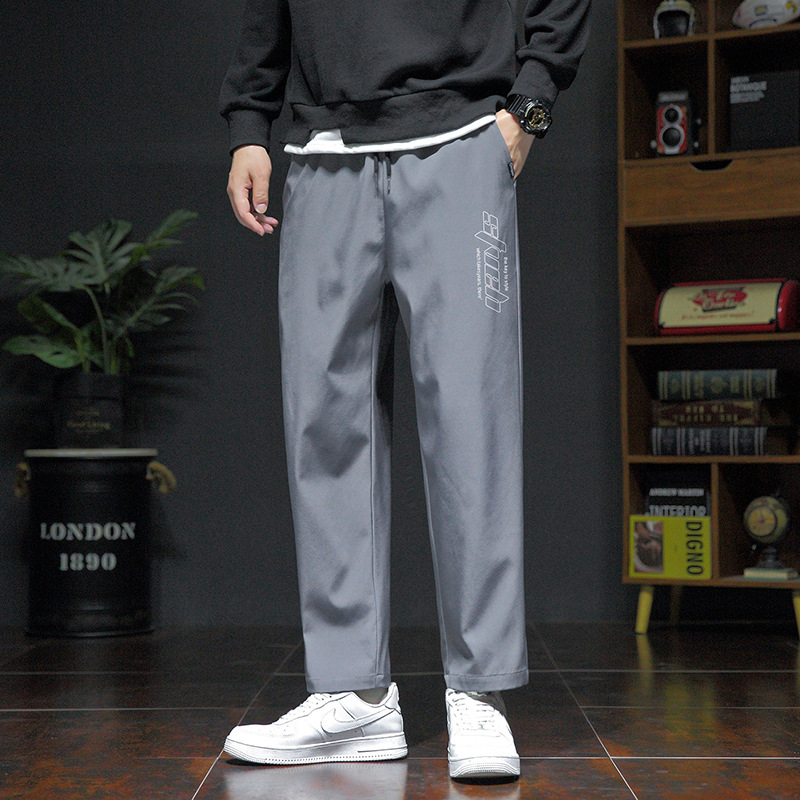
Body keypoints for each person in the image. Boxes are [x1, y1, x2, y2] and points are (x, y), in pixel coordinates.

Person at [219, 0, 590, 781]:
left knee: (472, 421)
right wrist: (249, 122)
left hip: (460, 139)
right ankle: (351, 692)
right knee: (325, 427)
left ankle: (479, 690)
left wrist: (530, 106)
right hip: (323, 149)